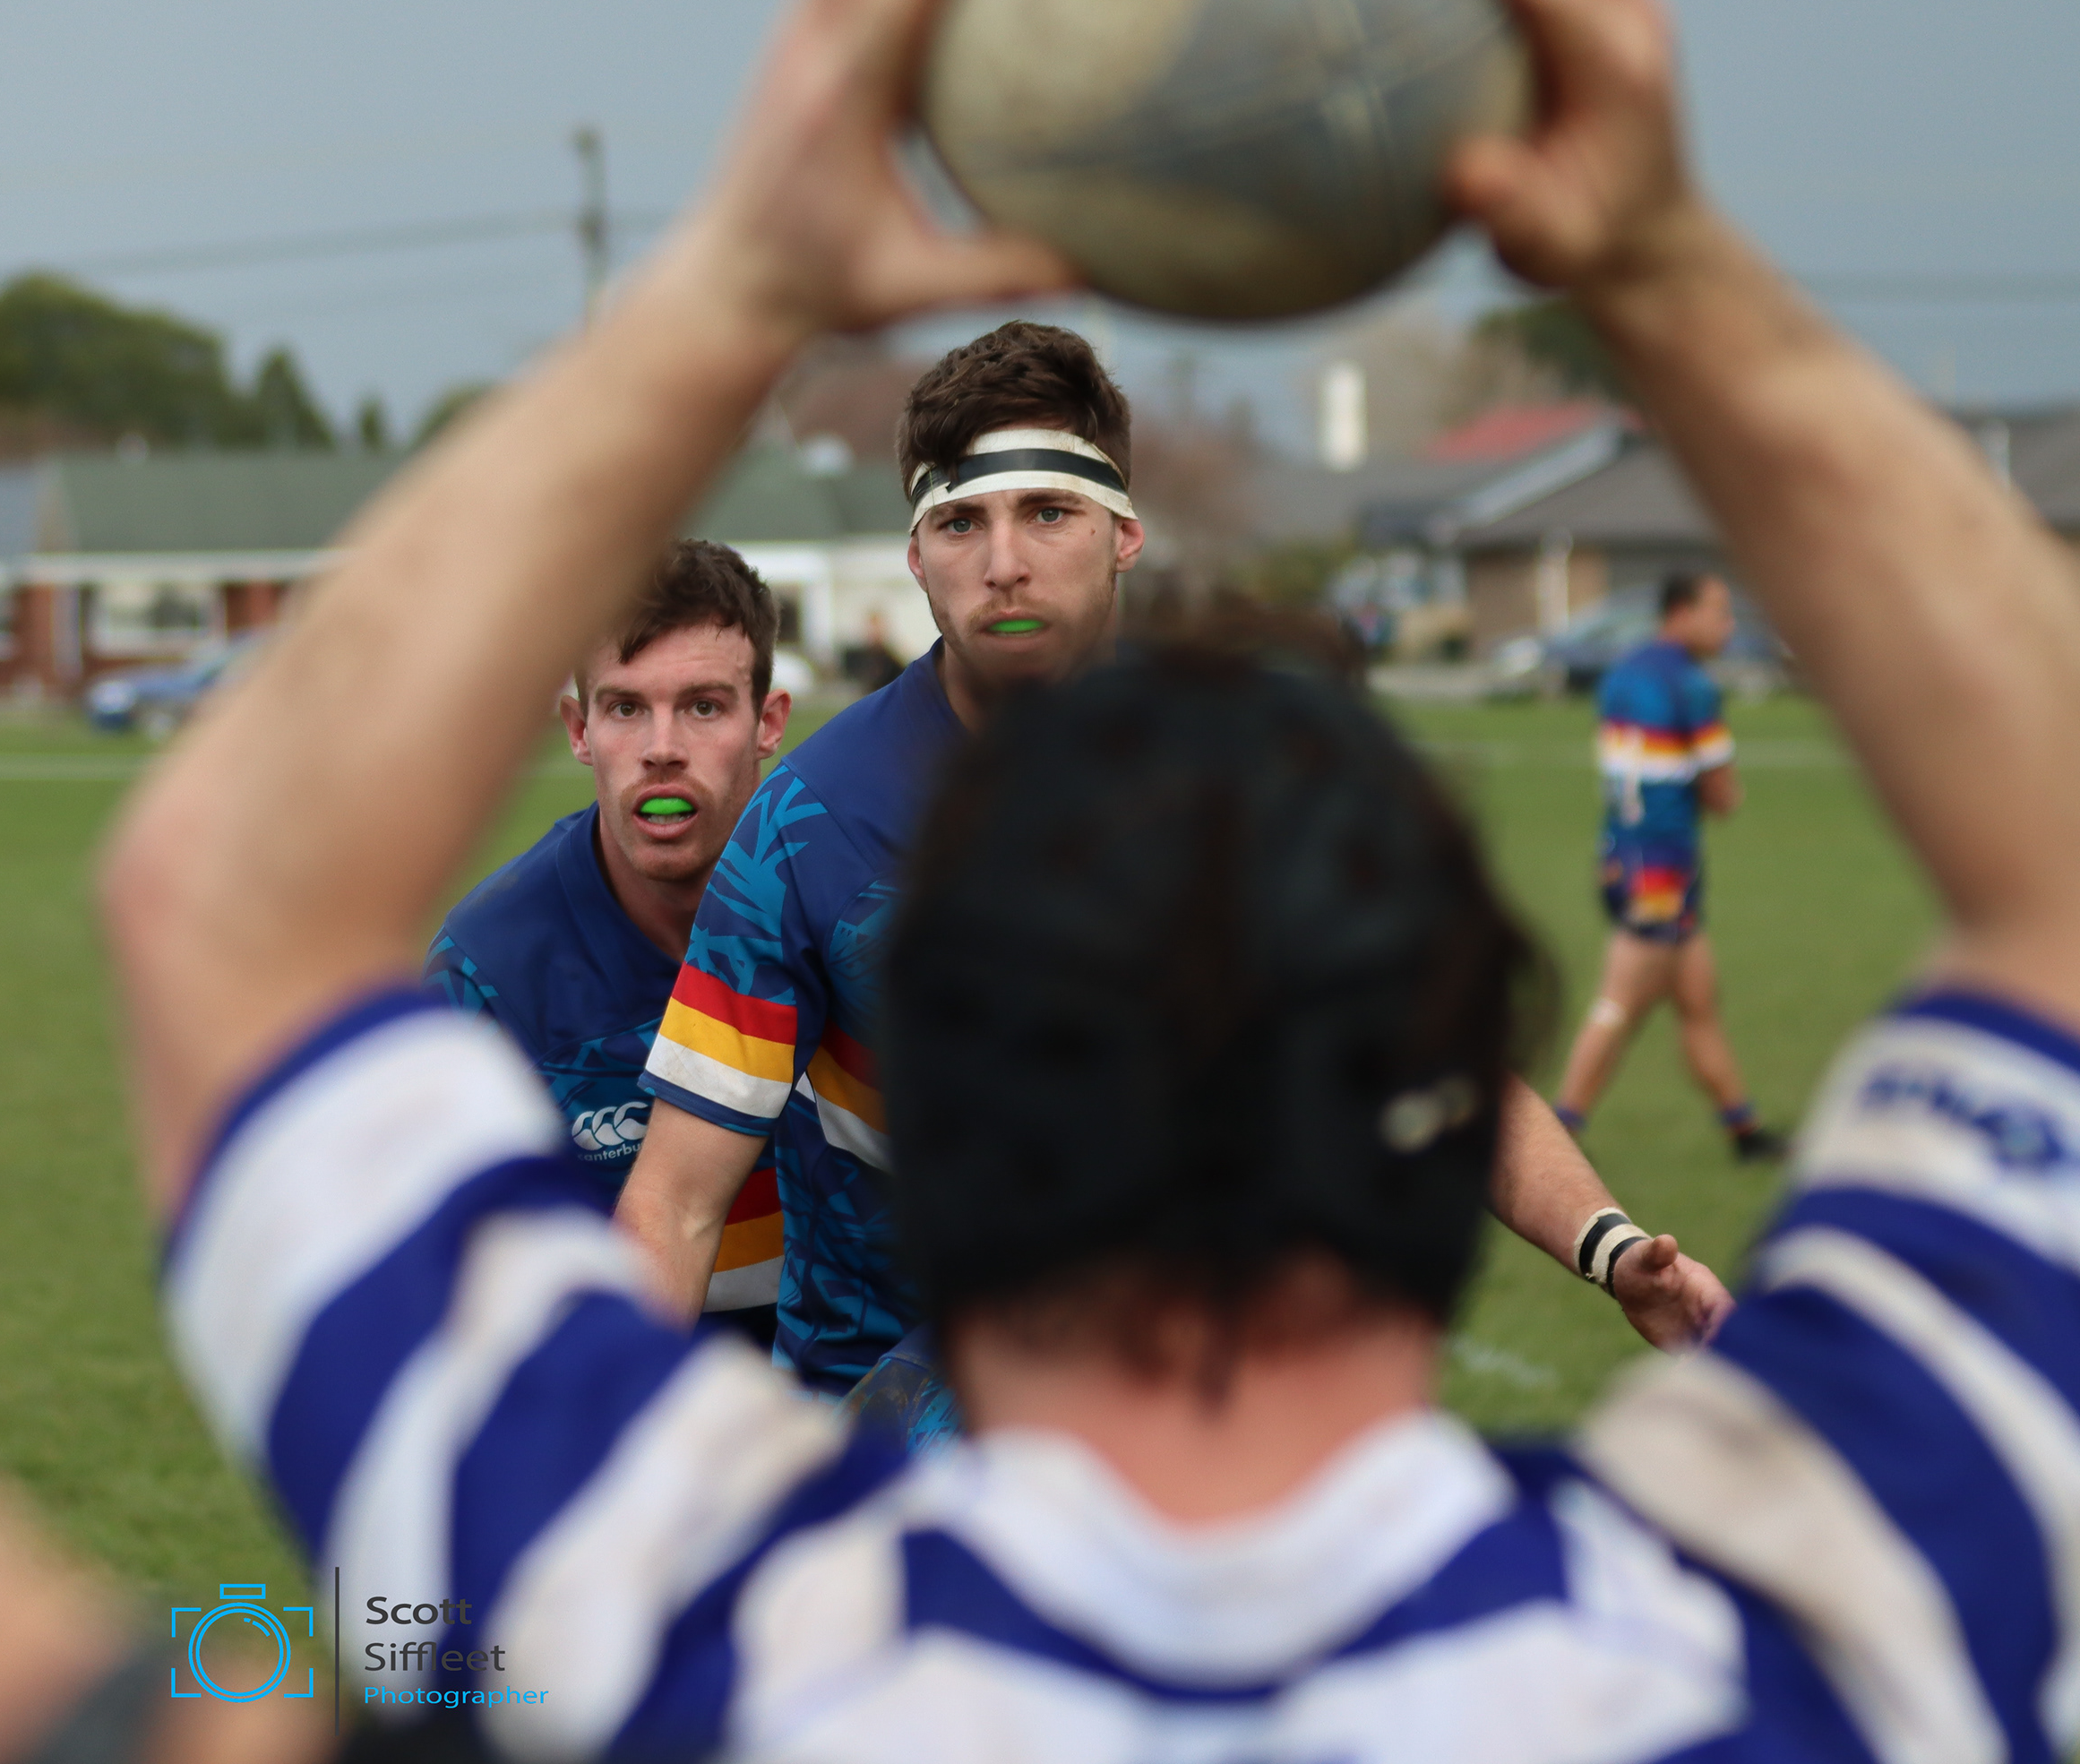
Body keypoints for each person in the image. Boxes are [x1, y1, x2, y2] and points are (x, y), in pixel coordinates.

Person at [0, 0, 2080, 1764]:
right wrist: (1664, 258)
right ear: (1447, 1105)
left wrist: (740, 274)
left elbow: (231, 903)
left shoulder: (697, 1632)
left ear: (945, 1103)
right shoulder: (1843, 1609)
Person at [615, 326, 1724, 1396]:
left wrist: (1611, 1246)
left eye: (1048, 512)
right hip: (897, 1427)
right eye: (960, 524)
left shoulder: (1250, 777)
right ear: (915, 555)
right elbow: (676, 1202)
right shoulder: (807, 827)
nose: (1002, 564)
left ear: (1125, 534)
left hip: (1181, 1394)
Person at [424, 538, 794, 1350]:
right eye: (626, 708)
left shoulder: (850, 911)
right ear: (579, 729)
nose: (662, 747)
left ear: (767, 722)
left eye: (703, 706)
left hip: (858, 1391)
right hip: (633, 1394)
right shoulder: (489, 974)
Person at [1558, 568, 1783, 1157]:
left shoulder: (1622, 673)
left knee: (1696, 1001)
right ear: (1680, 614)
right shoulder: (1692, 685)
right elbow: (1723, 797)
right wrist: (1723, 792)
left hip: (1620, 854)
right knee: (1618, 1005)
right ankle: (1558, 1135)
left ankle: (1745, 1132)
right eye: (1719, 612)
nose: (1728, 626)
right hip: (1660, 869)